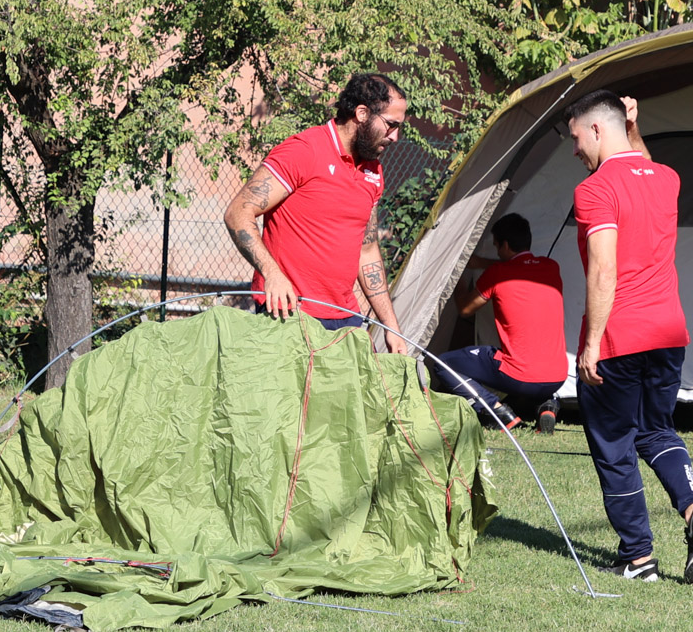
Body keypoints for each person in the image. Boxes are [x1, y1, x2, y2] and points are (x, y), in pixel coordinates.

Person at [564, 89, 693, 584]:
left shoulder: (593, 190)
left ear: (596, 129)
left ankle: (639, 558)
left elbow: (603, 270)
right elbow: (642, 166)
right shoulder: (666, 178)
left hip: (621, 335)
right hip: (669, 330)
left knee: (613, 444)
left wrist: (590, 343)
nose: (575, 151)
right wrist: (633, 127)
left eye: (576, 139)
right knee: (656, 431)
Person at [223, 73, 407, 354]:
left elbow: (367, 251)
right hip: (289, 313)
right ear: (361, 114)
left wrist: (390, 326)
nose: (395, 137)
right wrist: (272, 274)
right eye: (391, 125)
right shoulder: (304, 151)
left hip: (344, 318)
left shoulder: (374, 171)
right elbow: (238, 213)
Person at [434, 213, 568, 432]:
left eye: (497, 246)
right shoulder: (551, 267)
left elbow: (465, 309)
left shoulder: (497, 273)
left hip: (518, 377)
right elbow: (518, 266)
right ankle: (548, 404)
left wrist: (458, 278)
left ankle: (496, 409)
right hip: (558, 377)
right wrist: (485, 263)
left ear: (504, 244)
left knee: (443, 363)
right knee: (538, 365)